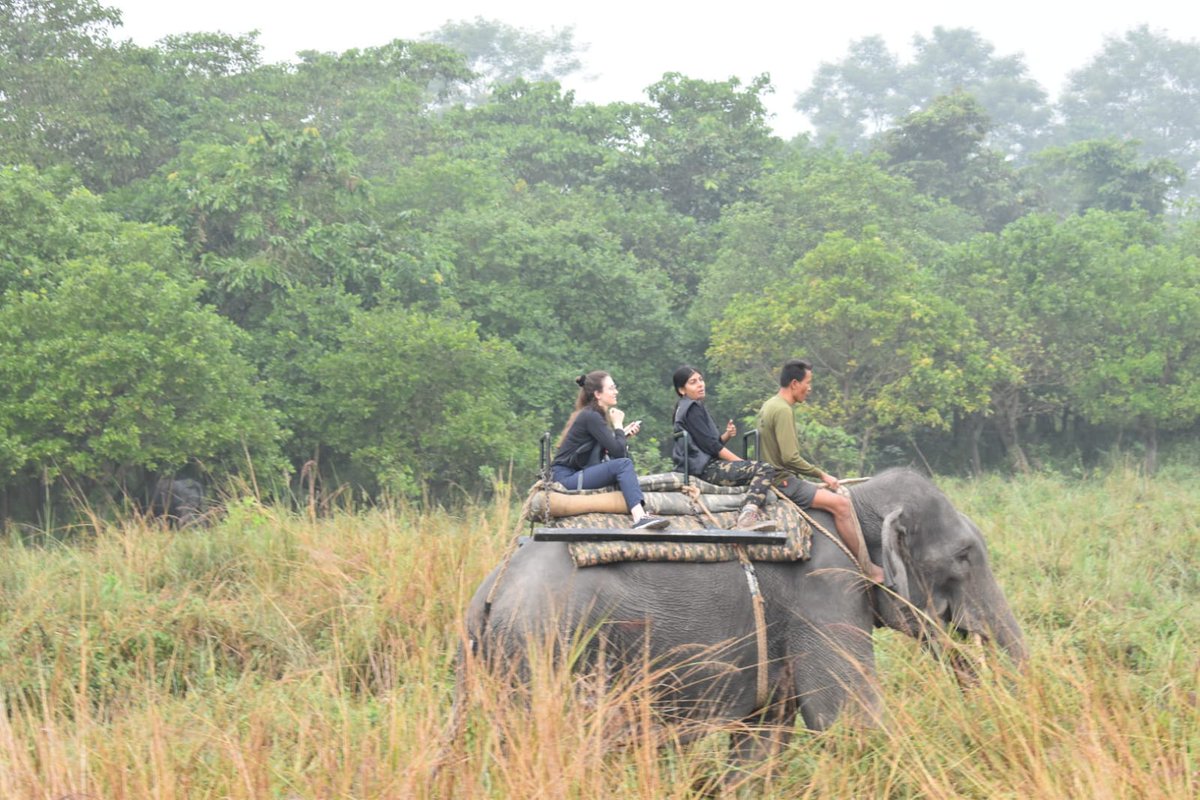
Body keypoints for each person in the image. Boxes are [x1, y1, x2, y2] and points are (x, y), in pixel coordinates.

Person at [758, 359, 886, 583]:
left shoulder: (769, 404)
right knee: (842, 505)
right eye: (808, 383)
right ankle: (869, 569)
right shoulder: (782, 410)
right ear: (795, 383)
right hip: (783, 482)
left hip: (772, 477)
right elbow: (789, 457)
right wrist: (821, 474)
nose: (810, 388)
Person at [551, 371, 669, 530]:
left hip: (573, 475)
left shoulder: (592, 415)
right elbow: (619, 454)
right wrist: (618, 425)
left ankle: (640, 512)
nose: (616, 392)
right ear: (598, 394)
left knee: (622, 464)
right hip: (566, 478)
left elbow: (611, 448)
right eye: (612, 388)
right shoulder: (591, 416)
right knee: (623, 464)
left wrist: (622, 435)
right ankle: (639, 517)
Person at [671, 366, 777, 532]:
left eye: (701, 379)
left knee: (755, 467)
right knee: (764, 469)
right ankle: (747, 518)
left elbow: (707, 444)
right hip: (705, 469)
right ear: (682, 389)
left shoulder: (687, 407)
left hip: (703, 465)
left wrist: (726, 435)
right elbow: (713, 447)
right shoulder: (691, 409)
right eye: (693, 382)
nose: (700, 384)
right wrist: (743, 463)